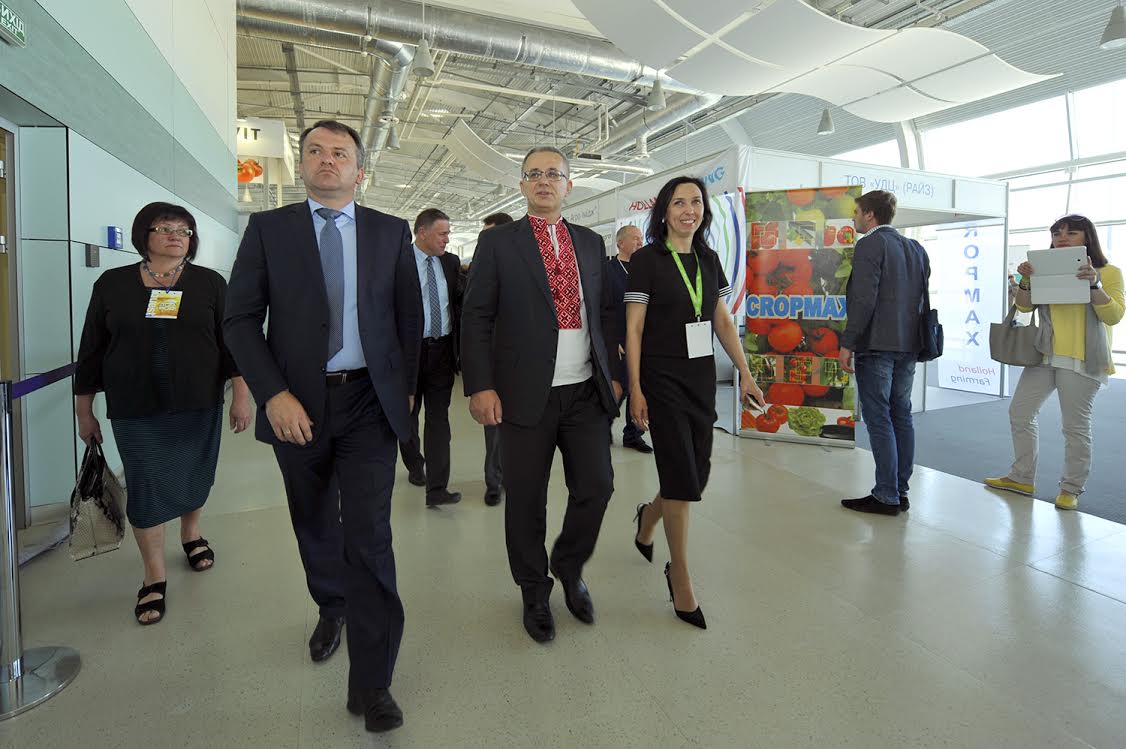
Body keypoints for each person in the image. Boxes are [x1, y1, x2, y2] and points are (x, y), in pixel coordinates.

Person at [223, 120, 420, 733]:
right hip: (297, 405)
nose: (326, 160)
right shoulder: (269, 229)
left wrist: (405, 392)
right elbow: (239, 319)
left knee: (370, 535)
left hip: (368, 402)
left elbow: (408, 318)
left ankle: (374, 682)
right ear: (302, 163)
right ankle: (331, 604)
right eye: (315, 151)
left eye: (340, 153)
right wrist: (273, 393)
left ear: (360, 170)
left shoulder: (389, 231)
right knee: (312, 519)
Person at [461, 147, 622, 643]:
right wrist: (480, 384)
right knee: (526, 500)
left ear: (569, 185)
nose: (544, 181)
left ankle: (568, 566)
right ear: (522, 185)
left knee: (596, 486)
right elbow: (477, 315)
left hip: (585, 392)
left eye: (554, 174)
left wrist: (614, 374)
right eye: (534, 174)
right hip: (522, 394)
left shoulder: (591, 242)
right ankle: (534, 590)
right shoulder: (499, 243)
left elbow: (607, 312)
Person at [74, 201, 252, 626]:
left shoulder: (209, 283)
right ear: (144, 235)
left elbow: (230, 343)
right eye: (165, 228)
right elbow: (92, 348)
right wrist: (84, 410)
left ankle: (191, 534)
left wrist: (242, 395)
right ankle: (154, 575)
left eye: (184, 231)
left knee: (194, 474)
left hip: (198, 401)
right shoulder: (112, 284)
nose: (176, 236)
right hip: (135, 406)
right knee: (147, 485)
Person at [626, 177, 765, 630]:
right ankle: (680, 576)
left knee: (693, 474)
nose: (689, 209)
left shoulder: (708, 258)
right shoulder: (647, 260)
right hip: (661, 378)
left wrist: (745, 373)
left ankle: (649, 516)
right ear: (664, 211)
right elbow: (634, 329)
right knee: (681, 477)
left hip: (700, 377)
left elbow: (721, 319)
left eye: (696, 202)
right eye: (679, 202)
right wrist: (636, 389)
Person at [985, 215, 1124, 510]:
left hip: (1083, 358)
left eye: (1071, 233)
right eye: (1057, 233)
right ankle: (1021, 477)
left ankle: (1071, 488)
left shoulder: (1108, 272)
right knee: (1020, 413)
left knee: (1075, 427)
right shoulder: (1043, 270)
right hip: (1044, 354)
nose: (1062, 238)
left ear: (1087, 237)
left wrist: (1094, 285)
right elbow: (1024, 307)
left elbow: (1113, 316)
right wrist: (1025, 280)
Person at [837, 190, 929, 516]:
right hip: (909, 344)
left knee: (879, 418)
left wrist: (848, 341)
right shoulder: (916, 248)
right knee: (901, 415)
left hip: (876, 344)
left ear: (870, 215)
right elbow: (921, 299)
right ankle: (900, 490)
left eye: (856, 212)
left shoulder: (869, 245)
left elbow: (864, 299)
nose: (853, 218)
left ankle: (886, 494)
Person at [398, 208, 463, 507]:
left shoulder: (450, 263)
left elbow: (461, 301)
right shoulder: (399, 262)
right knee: (408, 415)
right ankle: (415, 465)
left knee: (439, 419)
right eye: (442, 233)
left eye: (448, 233)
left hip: (442, 352)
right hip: (408, 354)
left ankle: (437, 487)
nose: (447, 239)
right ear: (422, 232)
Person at [606, 224, 653, 454]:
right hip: (618, 339)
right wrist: (613, 340)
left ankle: (634, 434)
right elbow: (603, 309)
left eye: (641, 238)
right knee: (619, 388)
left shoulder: (645, 269)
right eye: (635, 238)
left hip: (645, 339)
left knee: (641, 386)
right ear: (620, 243)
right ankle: (603, 426)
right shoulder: (608, 270)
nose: (640, 242)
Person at [478, 211, 514, 506]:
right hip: (494, 361)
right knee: (494, 426)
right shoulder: (482, 269)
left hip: (526, 362)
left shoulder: (525, 265)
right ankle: (494, 481)